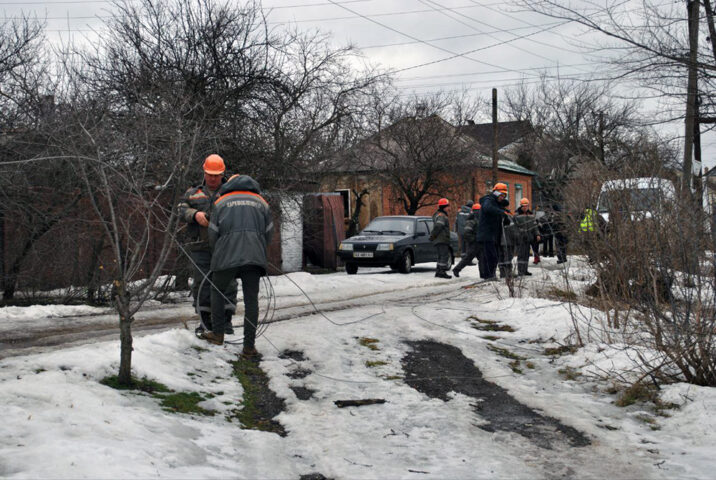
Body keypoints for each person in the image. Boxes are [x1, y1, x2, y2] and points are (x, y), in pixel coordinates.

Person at [200, 174, 274, 355]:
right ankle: (249, 346)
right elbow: (269, 233)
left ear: (230, 185)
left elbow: (212, 233)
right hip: (254, 258)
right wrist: (258, 247)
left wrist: (218, 251)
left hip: (226, 256)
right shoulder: (262, 203)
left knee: (217, 291)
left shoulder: (221, 202)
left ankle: (218, 334)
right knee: (251, 300)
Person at [178, 154, 237, 336]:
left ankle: (225, 322)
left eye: (216, 175)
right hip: (200, 245)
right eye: (210, 174)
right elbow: (180, 209)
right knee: (202, 284)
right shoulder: (193, 192)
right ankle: (205, 322)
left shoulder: (230, 192)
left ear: (222, 174)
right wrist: (194, 215)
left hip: (225, 246)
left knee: (227, 283)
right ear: (204, 172)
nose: (212, 178)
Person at [476, 183, 510, 280]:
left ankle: (490, 275)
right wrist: (501, 213)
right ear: (496, 193)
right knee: (491, 256)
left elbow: (499, 215)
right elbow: (488, 209)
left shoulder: (497, 204)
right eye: (501, 195)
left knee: (493, 256)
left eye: (504, 196)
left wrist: (506, 218)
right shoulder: (488, 200)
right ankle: (489, 276)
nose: (502, 198)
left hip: (493, 235)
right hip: (487, 234)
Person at [452, 203, 481, 277]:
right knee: (468, 258)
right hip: (474, 243)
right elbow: (467, 232)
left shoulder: (478, 219)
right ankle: (456, 269)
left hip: (478, 242)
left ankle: (483, 274)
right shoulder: (471, 220)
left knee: (482, 259)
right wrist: (473, 240)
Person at [513, 199, 540, 276]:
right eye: (523, 206)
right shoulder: (516, 215)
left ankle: (525, 270)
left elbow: (535, 226)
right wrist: (519, 234)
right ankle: (520, 271)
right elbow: (514, 227)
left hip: (529, 237)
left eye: (526, 206)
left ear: (528, 206)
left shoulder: (531, 215)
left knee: (526, 255)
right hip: (520, 238)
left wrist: (537, 234)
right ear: (521, 206)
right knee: (521, 255)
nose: (525, 207)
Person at [430, 198, 452, 279]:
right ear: (444, 207)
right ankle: (442, 272)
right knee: (444, 256)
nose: (449, 208)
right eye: (448, 206)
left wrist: (433, 236)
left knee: (440, 256)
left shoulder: (438, 214)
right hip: (442, 239)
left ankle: (438, 271)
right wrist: (433, 235)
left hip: (439, 239)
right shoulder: (442, 216)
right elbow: (439, 226)